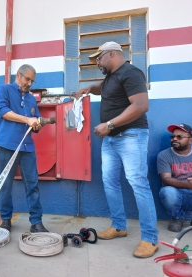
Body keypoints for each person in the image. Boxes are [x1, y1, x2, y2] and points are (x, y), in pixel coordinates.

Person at [73, 41, 158, 258]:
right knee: (110, 182)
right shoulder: (112, 77)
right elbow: (103, 87)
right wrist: (89, 88)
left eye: (99, 58)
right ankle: (119, 226)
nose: (98, 62)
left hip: (130, 136)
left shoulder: (130, 73)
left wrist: (109, 124)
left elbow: (141, 105)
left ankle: (150, 238)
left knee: (138, 183)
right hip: (110, 140)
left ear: (112, 54)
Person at [0, 64, 48, 233]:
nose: (29, 83)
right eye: (27, 79)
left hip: (27, 147)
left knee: (33, 184)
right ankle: (6, 220)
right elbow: (3, 111)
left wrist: (37, 125)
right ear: (18, 75)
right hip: (7, 144)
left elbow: (34, 120)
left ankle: (36, 222)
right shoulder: (4, 90)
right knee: (5, 185)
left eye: (32, 81)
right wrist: (27, 120)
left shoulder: (31, 99)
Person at [157, 123, 192, 232]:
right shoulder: (164, 155)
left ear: (190, 140)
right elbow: (166, 179)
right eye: (173, 136)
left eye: (179, 137)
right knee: (167, 191)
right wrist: (189, 185)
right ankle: (177, 218)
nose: (175, 139)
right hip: (177, 194)